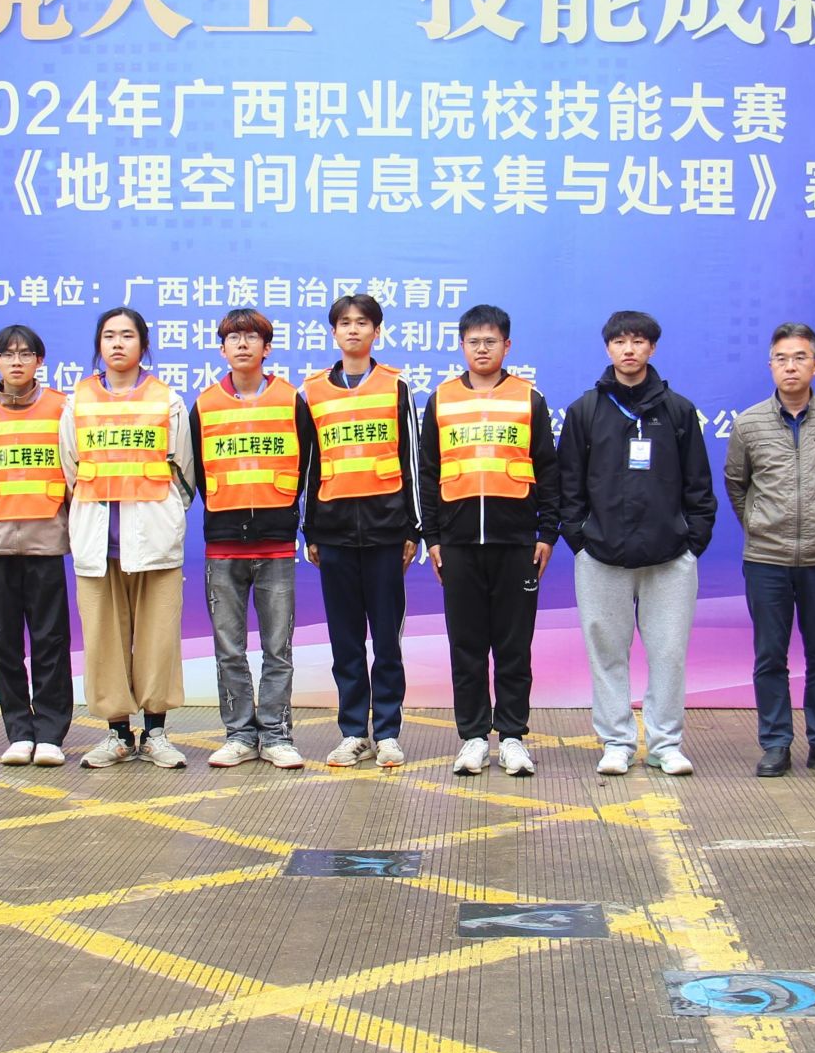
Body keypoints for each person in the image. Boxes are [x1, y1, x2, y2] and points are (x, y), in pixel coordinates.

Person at [560, 310, 716, 776]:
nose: (629, 349)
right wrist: (580, 540)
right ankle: (617, 742)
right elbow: (569, 485)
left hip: (669, 557)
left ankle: (666, 744)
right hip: (601, 555)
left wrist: (692, 542)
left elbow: (699, 485)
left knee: (668, 653)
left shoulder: (678, 411)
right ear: (607, 348)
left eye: (638, 341)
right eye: (620, 341)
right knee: (607, 652)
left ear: (652, 348)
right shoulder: (585, 410)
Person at [418, 304, 560, 777]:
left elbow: (548, 468)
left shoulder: (528, 398)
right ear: (462, 345)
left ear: (507, 346)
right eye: (474, 341)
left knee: (514, 647)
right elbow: (429, 473)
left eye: (491, 341)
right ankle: (474, 737)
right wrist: (432, 537)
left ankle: (513, 736)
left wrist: (546, 532)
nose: (482, 349)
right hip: (457, 544)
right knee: (467, 646)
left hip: (517, 542)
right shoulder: (441, 399)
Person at [723, 322, 815, 778]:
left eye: (800, 358)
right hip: (766, 559)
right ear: (770, 366)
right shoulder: (749, 423)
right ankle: (776, 742)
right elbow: (737, 484)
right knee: (770, 656)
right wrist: (759, 525)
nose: (790, 366)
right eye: (781, 359)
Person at [60, 307, 197, 770]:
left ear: (143, 344)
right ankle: (117, 733)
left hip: (155, 539)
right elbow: (71, 468)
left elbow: (183, 473)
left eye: (127, 335)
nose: (117, 344)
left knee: (159, 639)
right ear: (98, 345)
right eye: (109, 336)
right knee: (103, 640)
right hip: (98, 542)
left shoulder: (167, 400)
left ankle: (156, 732)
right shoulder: (77, 401)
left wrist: (165, 515)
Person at [191, 309, 315, 771]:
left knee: (278, 650)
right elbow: (198, 471)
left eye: (252, 337)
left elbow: (307, 466)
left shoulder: (290, 400)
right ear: (222, 348)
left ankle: (277, 735)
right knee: (229, 650)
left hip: (276, 545)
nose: (242, 344)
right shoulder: (205, 404)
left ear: (267, 347)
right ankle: (239, 735)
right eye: (234, 337)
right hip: (223, 545)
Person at [302, 294, 422, 770]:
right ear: (333, 332)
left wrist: (413, 527)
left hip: (386, 533)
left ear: (377, 331)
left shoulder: (395, 385)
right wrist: (310, 530)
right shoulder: (312, 391)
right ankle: (354, 732)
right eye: (345, 323)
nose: (353, 330)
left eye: (363, 322)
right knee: (345, 641)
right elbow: (310, 465)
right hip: (333, 534)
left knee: (387, 641)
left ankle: (387, 733)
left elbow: (411, 459)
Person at [0, 325, 73, 768]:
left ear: (39, 361)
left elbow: (73, 470)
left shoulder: (61, 407)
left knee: (51, 640)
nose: (16, 361)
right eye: (7, 354)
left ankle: (50, 733)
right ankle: (19, 732)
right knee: (4, 642)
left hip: (46, 539)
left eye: (25, 353)